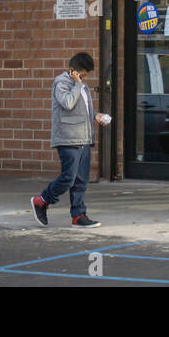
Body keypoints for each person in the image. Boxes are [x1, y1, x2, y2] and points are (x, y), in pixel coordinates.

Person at [31, 52, 110, 228]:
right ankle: (41, 200)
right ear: (73, 70)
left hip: (83, 137)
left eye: (86, 75)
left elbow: (81, 109)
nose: (85, 78)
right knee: (68, 178)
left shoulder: (81, 85)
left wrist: (96, 115)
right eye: (83, 74)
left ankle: (78, 216)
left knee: (81, 180)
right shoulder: (61, 83)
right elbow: (67, 103)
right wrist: (77, 84)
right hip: (67, 138)